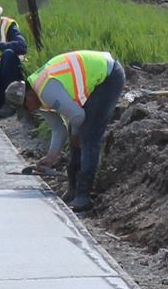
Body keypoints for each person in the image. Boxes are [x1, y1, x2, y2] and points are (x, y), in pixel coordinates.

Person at [7, 49, 126, 212]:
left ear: (27, 97)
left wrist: (76, 135)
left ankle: (83, 195)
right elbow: (58, 129)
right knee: (77, 134)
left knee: (88, 136)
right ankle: (73, 188)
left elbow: (77, 116)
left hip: (108, 76)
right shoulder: (37, 96)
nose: (29, 111)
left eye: (25, 108)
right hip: (96, 77)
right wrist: (51, 157)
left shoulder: (45, 90)